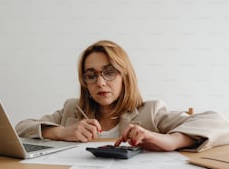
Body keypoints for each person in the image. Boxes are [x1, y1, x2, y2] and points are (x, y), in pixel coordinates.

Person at [16, 40, 229, 152]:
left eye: (109, 72)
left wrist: (171, 140)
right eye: (91, 75)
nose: (100, 82)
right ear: (85, 82)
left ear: (124, 76)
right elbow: (21, 127)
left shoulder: (151, 112)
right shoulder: (72, 109)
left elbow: (220, 123)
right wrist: (62, 132)